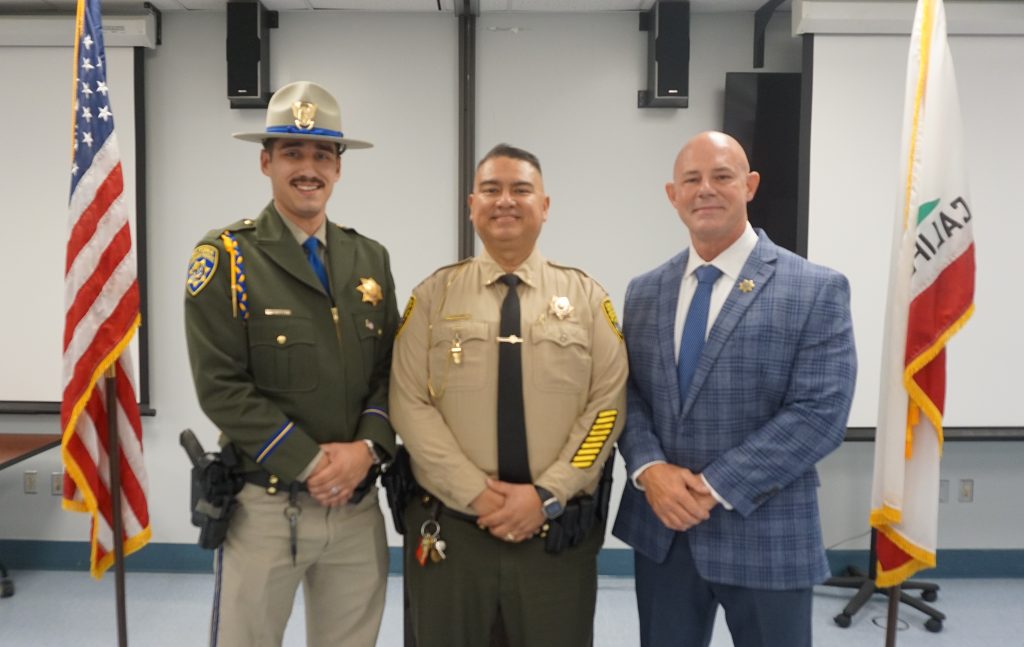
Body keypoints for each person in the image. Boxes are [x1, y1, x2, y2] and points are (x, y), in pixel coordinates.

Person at [612, 131, 857, 647]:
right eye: (691, 180)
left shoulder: (814, 288)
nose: (706, 189)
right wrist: (649, 470)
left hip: (766, 532)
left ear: (749, 185)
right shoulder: (644, 291)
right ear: (671, 194)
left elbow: (819, 415)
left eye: (721, 177)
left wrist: (711, 486)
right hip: (663, 530)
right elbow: (627, 395)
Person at [183, 81, 398, 647]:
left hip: (356, 509)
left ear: (339, 167)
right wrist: (311, 464)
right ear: (266, 162)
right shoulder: (227, 256)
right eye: (293, 153)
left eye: (322, 154)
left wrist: (366, 450)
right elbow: (220, 386)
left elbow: (389, 372)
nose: (309, 168)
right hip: (265, 510)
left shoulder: (369, 257)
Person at [389, 143, 628, 647]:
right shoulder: (433, 296)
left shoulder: (587, 298)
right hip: (452, 529)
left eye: (521, 190)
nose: (506, 201)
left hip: (553, 535)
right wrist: (473, 491)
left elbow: (606, 410)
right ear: (472, 205)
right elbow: (408, 405)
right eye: (492, 190)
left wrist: (547, 494)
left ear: (544, 206)